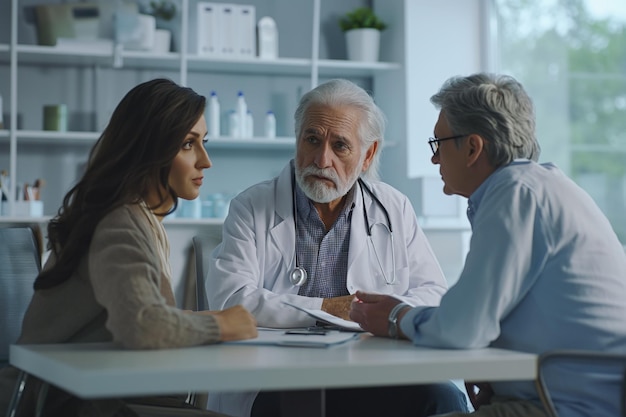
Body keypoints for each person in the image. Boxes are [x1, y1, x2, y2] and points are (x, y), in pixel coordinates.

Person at [350, 72, 626, 417]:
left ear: (472, 148)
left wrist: (394, 317)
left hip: (566, 406)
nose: (435, 159)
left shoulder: (515, 193)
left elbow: (460, 328)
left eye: (438, 144)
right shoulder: (538, 187)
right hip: (561, 393)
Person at [206, 79, 468, 417]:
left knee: (442, 399)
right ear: (297, 139)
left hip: (372, 372)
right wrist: (329, 308)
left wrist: (385, 312)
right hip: (278, 377)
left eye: (340, 146)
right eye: (311, 139)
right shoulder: (252, 206)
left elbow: (432, 293)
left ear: (367, 154)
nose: (321, 159)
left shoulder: (393, 208)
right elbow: (230, 300)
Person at [0, 78, 258, 417]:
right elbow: (142, 326)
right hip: (63, 402)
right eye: (187, 145)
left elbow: (134, 316)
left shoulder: (141, 219)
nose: (205, 161)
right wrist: (222, 325)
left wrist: (206, 320)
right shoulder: (120, 221)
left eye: (203, 143)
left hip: (98, 394)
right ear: (150, 149)